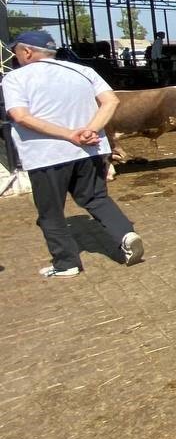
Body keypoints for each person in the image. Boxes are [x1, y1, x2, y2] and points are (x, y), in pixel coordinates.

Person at [3, 31, 143, 278]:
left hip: (47, 154)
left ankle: (66, 262)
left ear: (27, 52)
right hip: (90, 148)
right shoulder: (83, 70)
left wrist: (69, 134)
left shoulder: (16, 78)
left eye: (16, 52)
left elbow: (20, 116)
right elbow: (111, 101)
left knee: (51, 211)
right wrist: (91, 130)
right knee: (96, 198)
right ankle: (125, 234)